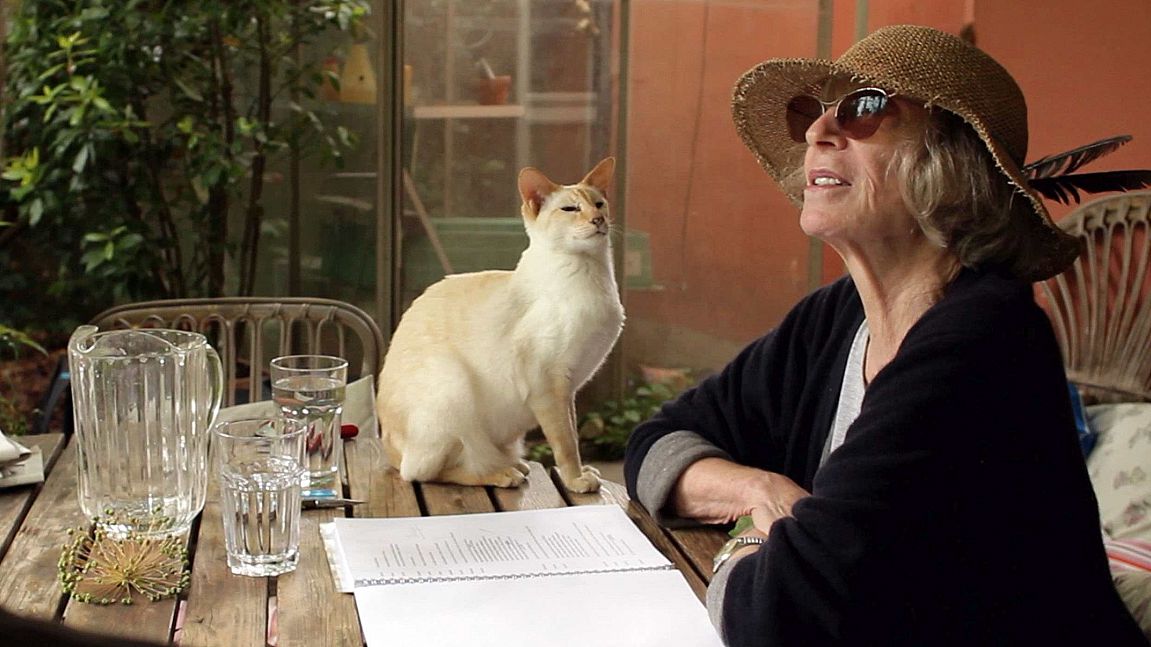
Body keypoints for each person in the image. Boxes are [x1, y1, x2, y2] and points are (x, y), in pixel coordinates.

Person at [624, 24, 1147, 646]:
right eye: (812, 112)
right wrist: (757, 489)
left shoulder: (983, 342)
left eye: (864, 107)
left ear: (949, 163)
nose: (818, 131)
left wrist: (747, 538)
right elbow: (654, 444)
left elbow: (779, 615)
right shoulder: (836, 317)